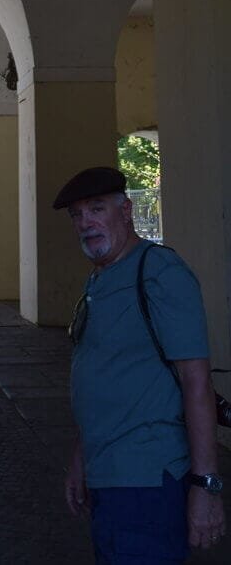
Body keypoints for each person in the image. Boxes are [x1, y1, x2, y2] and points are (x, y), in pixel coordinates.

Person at [55, 165, 225, 563]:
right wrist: (80, 459)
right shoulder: (99, 279)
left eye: (97, 210)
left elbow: (195, 383)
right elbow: (102, 378)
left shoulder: (159, 271)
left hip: (147, 479)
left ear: (127, 210)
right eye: (77, 216)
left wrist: (206, 486)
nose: (86, 223)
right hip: (108, 474)